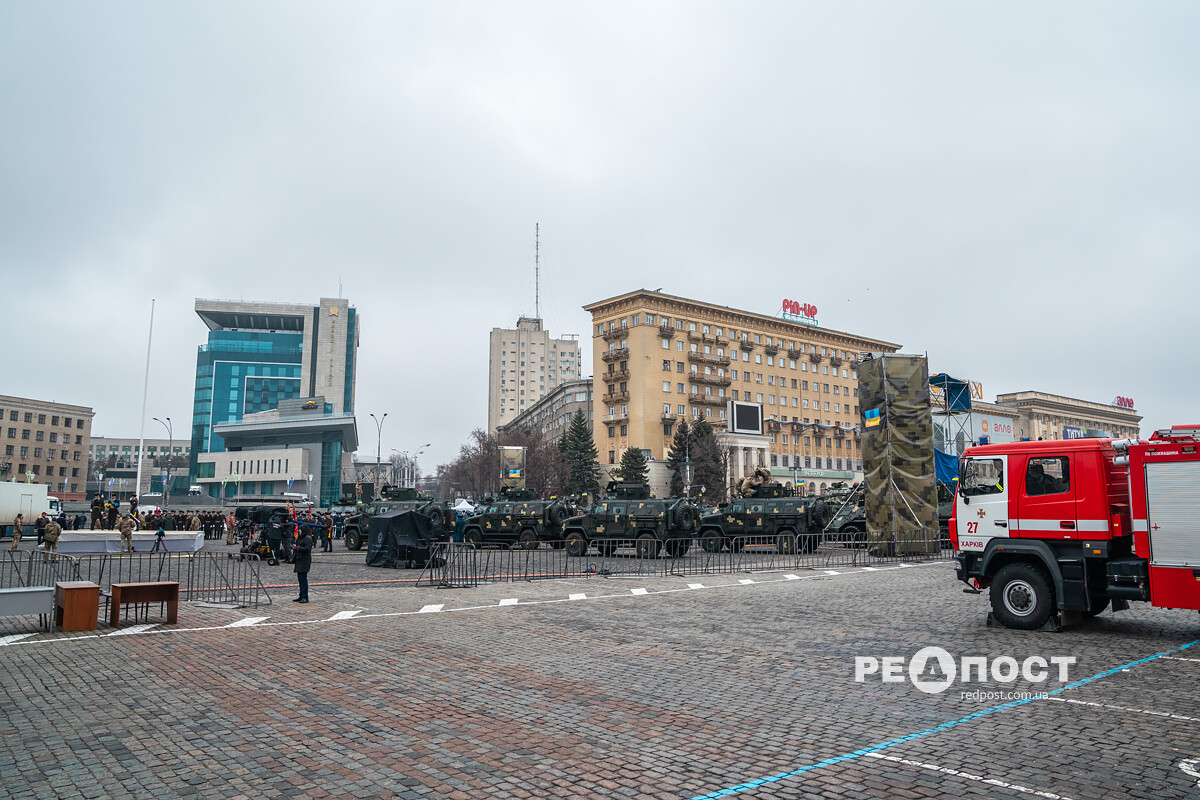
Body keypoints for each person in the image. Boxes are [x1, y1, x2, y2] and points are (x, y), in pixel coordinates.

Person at [293, 524, 312, 603]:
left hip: (304, 561)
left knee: (303, 579)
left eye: (300, 529)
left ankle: (305, 596)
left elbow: (307, 548)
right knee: (300, 579)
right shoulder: (301, 538)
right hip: (299, 560)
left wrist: (298, 548)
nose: (299, 531)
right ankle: (301, 595)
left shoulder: (307, 538)